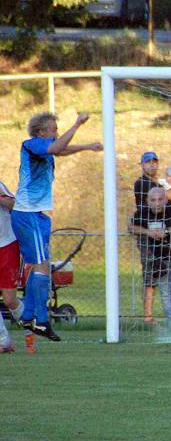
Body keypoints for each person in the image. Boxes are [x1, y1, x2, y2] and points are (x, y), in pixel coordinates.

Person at [11, 111, 102, 342]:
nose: (57, 134)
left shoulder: (46, 148)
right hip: (27, 214)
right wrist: (77, 124)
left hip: (38, 216)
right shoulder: (31, 144)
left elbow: (61, 149)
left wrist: (86, 147)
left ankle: (30, 315)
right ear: (41, 132)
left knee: (41, 267)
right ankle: (41, 320)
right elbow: (56, 148)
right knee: (42, 268)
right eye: (53, 130)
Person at [133, 151, 171, 323]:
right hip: (149, 237)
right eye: (148, 162)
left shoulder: (157, 183)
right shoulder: (142, 183)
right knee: (152, 275)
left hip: (164, 241)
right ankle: (148, 316)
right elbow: (168, 197)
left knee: (169, 280)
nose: (152, 165)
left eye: (154, 162)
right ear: (142, 165)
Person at [0, 179, 28, 353]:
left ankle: (30, 331)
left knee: (10, 299)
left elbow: (13, 204)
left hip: (7, 245)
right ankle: (4, 341)